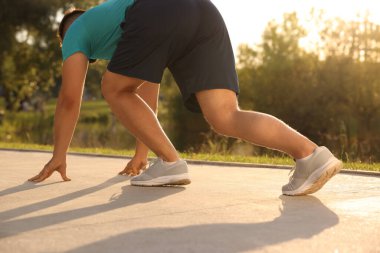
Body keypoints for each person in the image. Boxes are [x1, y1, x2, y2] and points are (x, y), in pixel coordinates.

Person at [29, 0, 343, 196]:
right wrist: (143, 154)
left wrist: (59, 154)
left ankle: (171, 162)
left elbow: (70, 99)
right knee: (224, 115)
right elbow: (145, 98)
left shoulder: (76, 31)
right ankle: (310, 155)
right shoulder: (122, 26)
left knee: (111, 88)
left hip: (159, 10)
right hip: (202, 11)